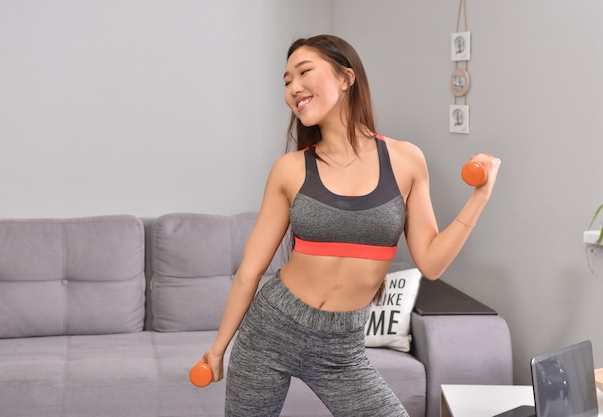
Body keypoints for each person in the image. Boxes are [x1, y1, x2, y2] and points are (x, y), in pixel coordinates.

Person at [201, 34, 501, 417]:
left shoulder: (406, 161)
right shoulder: (290, 170)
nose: (294, 87)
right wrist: (218, 348)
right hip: (270, 331)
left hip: (341, 348)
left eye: (304, 72)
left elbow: (431, 263)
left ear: (346, 78)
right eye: (287, 80)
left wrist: (480, 197)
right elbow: (250, 271)